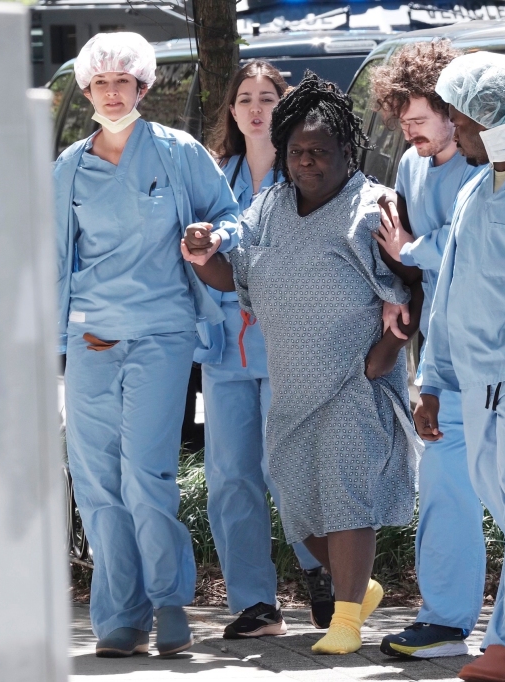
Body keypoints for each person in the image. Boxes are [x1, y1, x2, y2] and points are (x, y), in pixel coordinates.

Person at [182, 72, 423, 655]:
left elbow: (411, 290)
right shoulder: (269, 207)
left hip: (351, 379)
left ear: (348, 152)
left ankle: (345, 620)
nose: (308, 161)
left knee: (345, 496)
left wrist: (381, 359)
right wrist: (199, 256)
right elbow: (233, 276)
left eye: (320, 151)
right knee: (297, 507)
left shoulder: (375, 207)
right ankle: (355, 587)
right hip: (291, 383)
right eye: (297, 152)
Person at [54, 32, 239, 658]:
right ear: (86, 91)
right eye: (100, 83)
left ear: (143, 86)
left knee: (146, 474)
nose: (112, 92)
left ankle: (166, 602)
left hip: (161, 334)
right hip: (90, 339)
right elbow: (54, 259)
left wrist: (211, 234)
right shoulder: (70, 167)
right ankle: (119, 615)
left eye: (123, 82)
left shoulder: (177, 152)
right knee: (96, 481)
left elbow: (232, 217)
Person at [415, 51, 505, 682]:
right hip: (477, 384)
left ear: (496, 122)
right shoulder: (477, 187)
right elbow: (449, 297)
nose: (455, 128)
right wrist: (433, 382)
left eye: (463, 118)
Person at [197, 60, 335, 638]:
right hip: (225, 348)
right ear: (231, 110)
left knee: (291, 469)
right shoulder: (211, 176)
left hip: (289, 344)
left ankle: (326, 581)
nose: (257, 108)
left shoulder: (306, 170)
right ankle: (257, 604)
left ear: (286, 109)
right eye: (245, 98)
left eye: (269, 98)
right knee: (230, 476)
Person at [366, 40, 492, 660]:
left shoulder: (485, 164)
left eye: (418, 120)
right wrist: (398, 289)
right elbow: (405, 254)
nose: (409, 133)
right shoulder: (414, 166)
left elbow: (478, 260)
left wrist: (414, 251)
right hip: (442, 358)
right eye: (403, 122)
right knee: (443, 485)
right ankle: (445, 621)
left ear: (452, 109)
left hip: (495, 355)